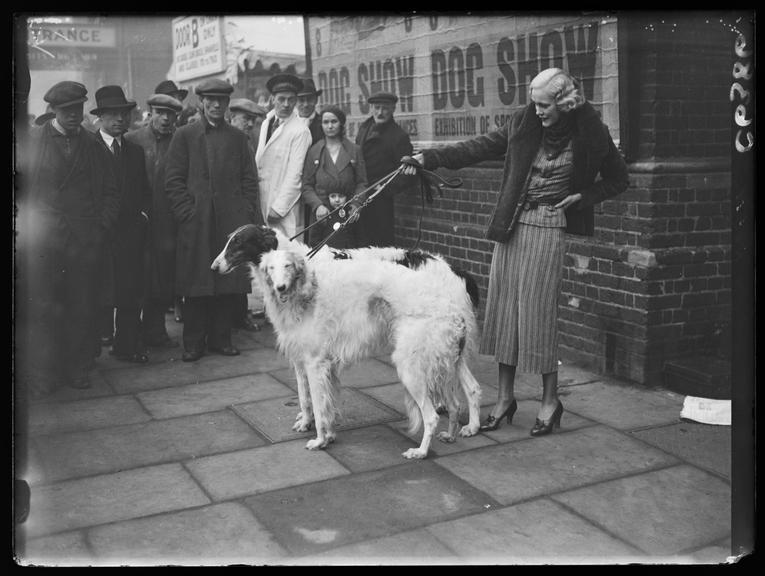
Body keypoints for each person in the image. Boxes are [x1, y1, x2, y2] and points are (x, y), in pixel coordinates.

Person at [403, 68, 629, 436]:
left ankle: (550, 402)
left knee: (539, 313)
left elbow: (620, 179)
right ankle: (505, 399)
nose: (537, 110)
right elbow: (479, 147)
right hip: (511, 225)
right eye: (534, 103)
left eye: (544, 105)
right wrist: (430, 158)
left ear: (565, 102)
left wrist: (584, 197)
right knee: (505, 310)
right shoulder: (524, 122)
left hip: (549, 224)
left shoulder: (590, 131)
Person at [16, 80, 120, 391]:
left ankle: (77, 368)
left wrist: (99, 227)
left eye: (77, 109)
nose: (73, 115)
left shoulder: (92, 145)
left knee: (80, 305)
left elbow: (111, 192)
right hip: (45, 244)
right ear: (53, 111)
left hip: (83, 241)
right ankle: (46, 372)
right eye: (66, 110)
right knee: (45, 306)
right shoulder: (34, 142)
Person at [164, 78, 263, 362]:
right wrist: (187, 212)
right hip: (197, 223)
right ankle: (193, 343)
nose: (216, 105)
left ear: (228, 103)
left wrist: (244, 214)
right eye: (210, 100)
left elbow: (249, 180)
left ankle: (222, 338)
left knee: (225, 283)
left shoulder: (236, 138)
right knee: (196, 284)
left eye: (221, 100)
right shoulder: (185, 135)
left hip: (229, 225)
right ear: (201, 102)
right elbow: (173, 180)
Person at [92, 85, 152, 364]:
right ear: (100, 117)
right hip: (99, 234)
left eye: (123, 114)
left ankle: (127, 345)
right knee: (97, 293)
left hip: (130, 233)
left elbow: (144, 192)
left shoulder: (134, 152)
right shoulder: (88, 148)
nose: (119, 119)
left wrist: (143, 218)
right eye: (113, 114)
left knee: (130, 291)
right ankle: (90, 350)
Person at [125, 93, 184, 348]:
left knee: (162, 278)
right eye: (160, 112)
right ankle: (128, 333)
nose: (165, 118)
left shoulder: (180, 141)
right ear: (151, 113)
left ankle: (156, 329)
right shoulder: (132, 139)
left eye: (170, 114)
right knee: (135, 276)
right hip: (137, 220)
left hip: (168, 222)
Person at [227, 97, 268, 332]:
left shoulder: (247, 141)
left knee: (244, 266)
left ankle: (240, 314)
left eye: (253, 121)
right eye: (246, 119)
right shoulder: (228, 142)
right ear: (232, 117)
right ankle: (233, 315)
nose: (250, 125)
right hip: (233, 212)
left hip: (248, 209)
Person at [255, 73, 313, 238]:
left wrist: (279, 208)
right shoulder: (267, 123)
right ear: (272, 99)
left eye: (291, 99)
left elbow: (296, 175)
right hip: (263, 201)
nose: (286, 104)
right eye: (281, 99)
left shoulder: (300, 131)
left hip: (284, 209)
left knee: (287, 255)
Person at [301, 106, 367, 248]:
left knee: (350, 254)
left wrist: (356, 204)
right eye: (325, 122)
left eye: (334, 121)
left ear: (341, 124)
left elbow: (362, 183)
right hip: (322, 216)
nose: (330, 126)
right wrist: (317, 206)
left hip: (347, 213)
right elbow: (306, 186)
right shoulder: (315, 151)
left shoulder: (354, 150)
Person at [355, 91, 414, 247]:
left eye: (385, 108)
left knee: (380, 244)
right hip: (360, 195)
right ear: (371, 108)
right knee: (359, 242)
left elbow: (407, 173)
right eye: (377, 107)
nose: (380, 112)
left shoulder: (399, 136)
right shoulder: (364, 128)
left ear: (393, 109)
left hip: (380, 200)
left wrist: (385, 188)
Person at [296, 78, 324, 145]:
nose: (306, 104)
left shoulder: (324, 124)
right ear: (294, 102)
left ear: (316, 100)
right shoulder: (289, 125)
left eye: (309, 99)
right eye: (301, 100)